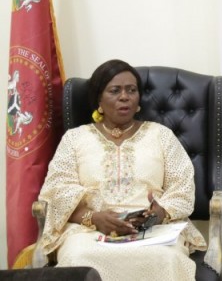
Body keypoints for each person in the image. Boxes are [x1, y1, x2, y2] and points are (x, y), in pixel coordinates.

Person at [38, 59, 206, 280]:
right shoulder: (75, 139)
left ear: (138, 100)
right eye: (115, 91)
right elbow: (58, 193)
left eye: (131, 90)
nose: (124, 97)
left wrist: (159, 213)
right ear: (99, 99)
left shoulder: (161, 135)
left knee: (165, 258)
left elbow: (182, 186)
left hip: (152, 230)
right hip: (89, 231)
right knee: (78, 258)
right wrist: (94, 218)